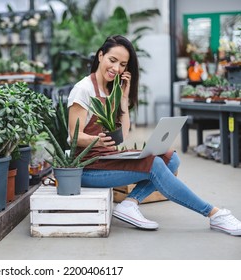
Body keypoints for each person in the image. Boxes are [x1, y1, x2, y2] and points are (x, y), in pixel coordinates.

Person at [67, 35, 241, 236]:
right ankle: (214, 214)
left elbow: (121, 135)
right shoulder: (83, 90)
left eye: (122, 64)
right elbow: (74, 136)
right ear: (100, 55)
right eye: (112, 60)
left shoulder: (111, 89)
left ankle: (129, 204)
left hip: (107, 158)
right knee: (155, 165)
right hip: (86, 168)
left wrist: (124, 97)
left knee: (170, 158)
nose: (116, 68)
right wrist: (95, 140)